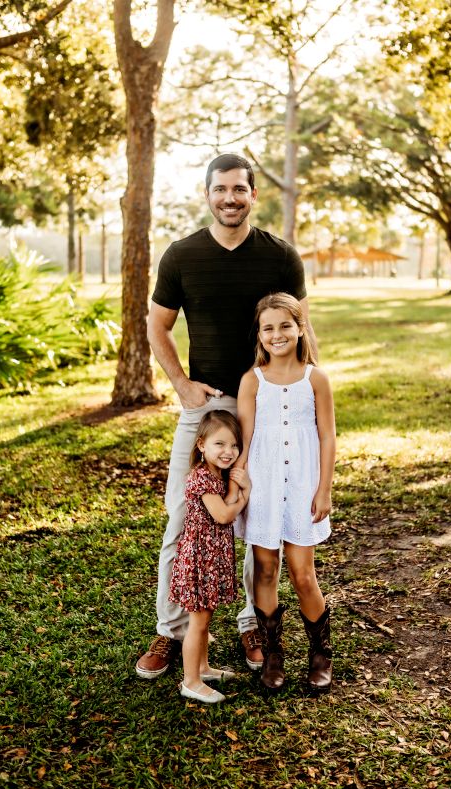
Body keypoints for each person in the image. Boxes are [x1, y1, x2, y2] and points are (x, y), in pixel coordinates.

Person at [135, 153, 316, 679]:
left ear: (253, 194)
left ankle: (246, 624)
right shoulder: (182, 255)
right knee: (182, 519)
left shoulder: (281, 256)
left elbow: (304, 331)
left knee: (249, 523)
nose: (230, 198)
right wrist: (182, 385)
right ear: (208, 194)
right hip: (207, 409)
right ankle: (171, 631)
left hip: (264, 405)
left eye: (240, 189)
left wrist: (306, 394)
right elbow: (157, 328)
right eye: (221, 190)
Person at [235, 292, 336, 693]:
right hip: (263, 487)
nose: (277, 335)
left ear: (300, 328)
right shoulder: (251, 381)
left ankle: (320, 655)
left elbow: (327, 437)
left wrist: (323, 490)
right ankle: (273, 657)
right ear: (260, 336)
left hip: (301, 489)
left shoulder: (316, 378)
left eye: (285, 326)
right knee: (265, 570)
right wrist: (238, 490)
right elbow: (245, 441)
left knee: (302, 574)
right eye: (268, 328)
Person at [169, 410, 251, 704]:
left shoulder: (217, 475)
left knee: (206, 618)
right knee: (198, 622)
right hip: (200, 560)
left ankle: (202, 668)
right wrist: (245, 493)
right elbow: (224, 514)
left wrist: (234, 490)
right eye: (220, 444)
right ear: (201, 445)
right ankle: (190, 681)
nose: (228, 452)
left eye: (234, 445)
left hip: (211, 557)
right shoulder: (201, 477)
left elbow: (226, 506)